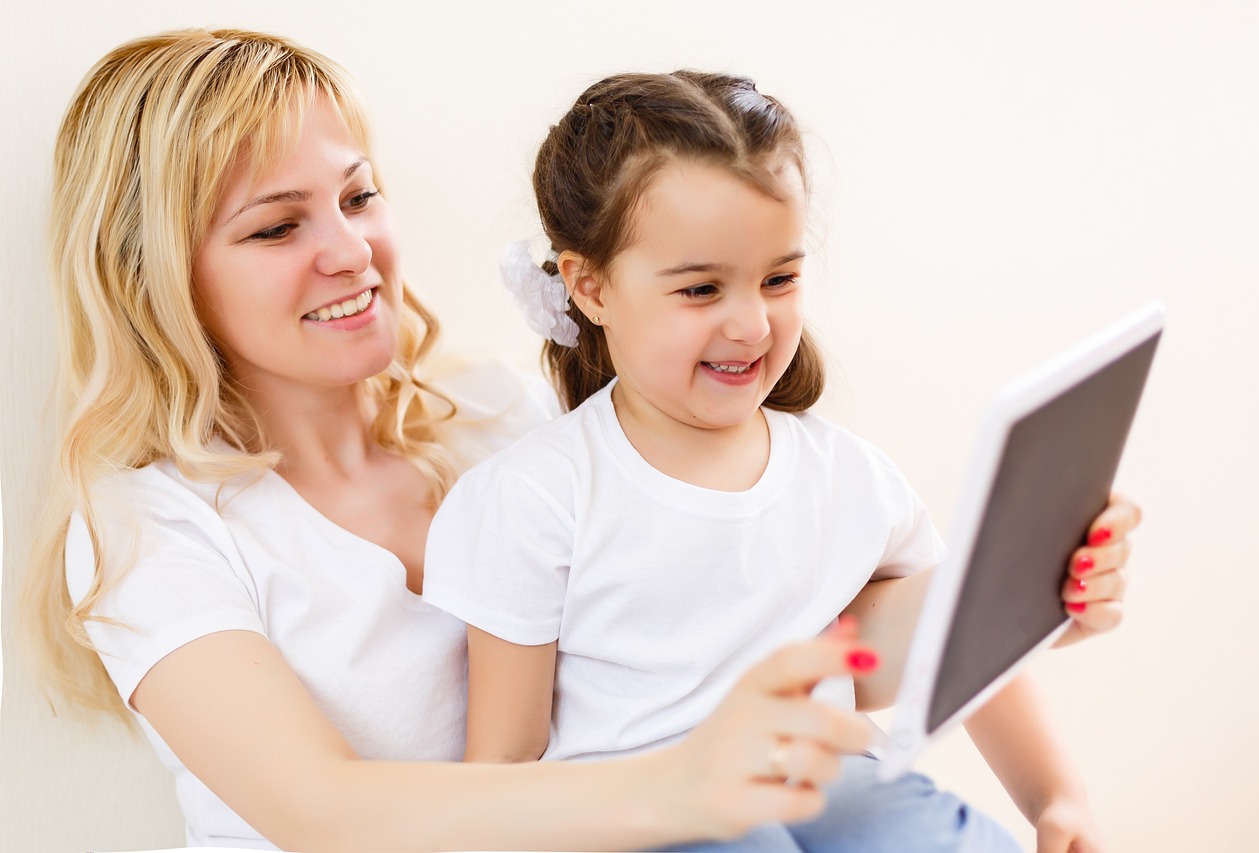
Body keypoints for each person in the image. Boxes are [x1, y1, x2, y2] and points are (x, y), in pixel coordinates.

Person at [20, 29, 896, 852]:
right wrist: (680, 783)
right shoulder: (145, 525)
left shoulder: (503, 416)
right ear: (158, 277)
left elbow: (731, 623)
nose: (352, 251)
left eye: (359, 197)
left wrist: (974, 617)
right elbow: (322, 811)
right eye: (278, 227)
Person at [420, 71, 1139, 852]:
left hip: (830, 783)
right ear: (590, 287)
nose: (753, 324)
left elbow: (959, 635)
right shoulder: (537, 496)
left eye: (780, 279)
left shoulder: (846, 475)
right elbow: (501, 769)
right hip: (642, 814)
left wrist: (1057, 797)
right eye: (702, 289)